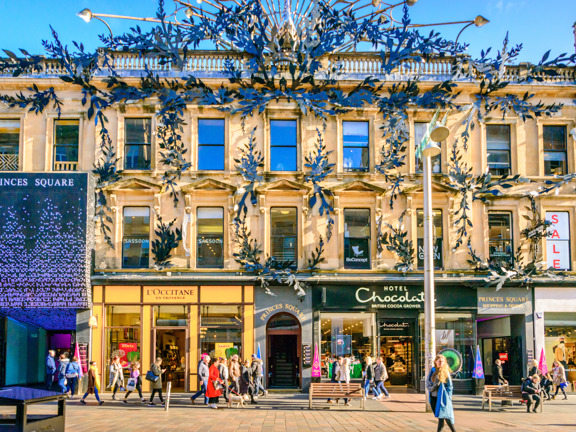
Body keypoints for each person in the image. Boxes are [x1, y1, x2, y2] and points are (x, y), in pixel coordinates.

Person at [426, 354, 456, 432]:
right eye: (439, 361)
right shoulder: (432, 371)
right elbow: (428, 382)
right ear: (435, 362)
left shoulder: (445, 372)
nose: (441, 363)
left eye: (442, 362)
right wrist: (432, 387)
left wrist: (449, 397)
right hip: (433, 398)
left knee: (445, 417)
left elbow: (450, 386)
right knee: (441, 418)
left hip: (443, 399)